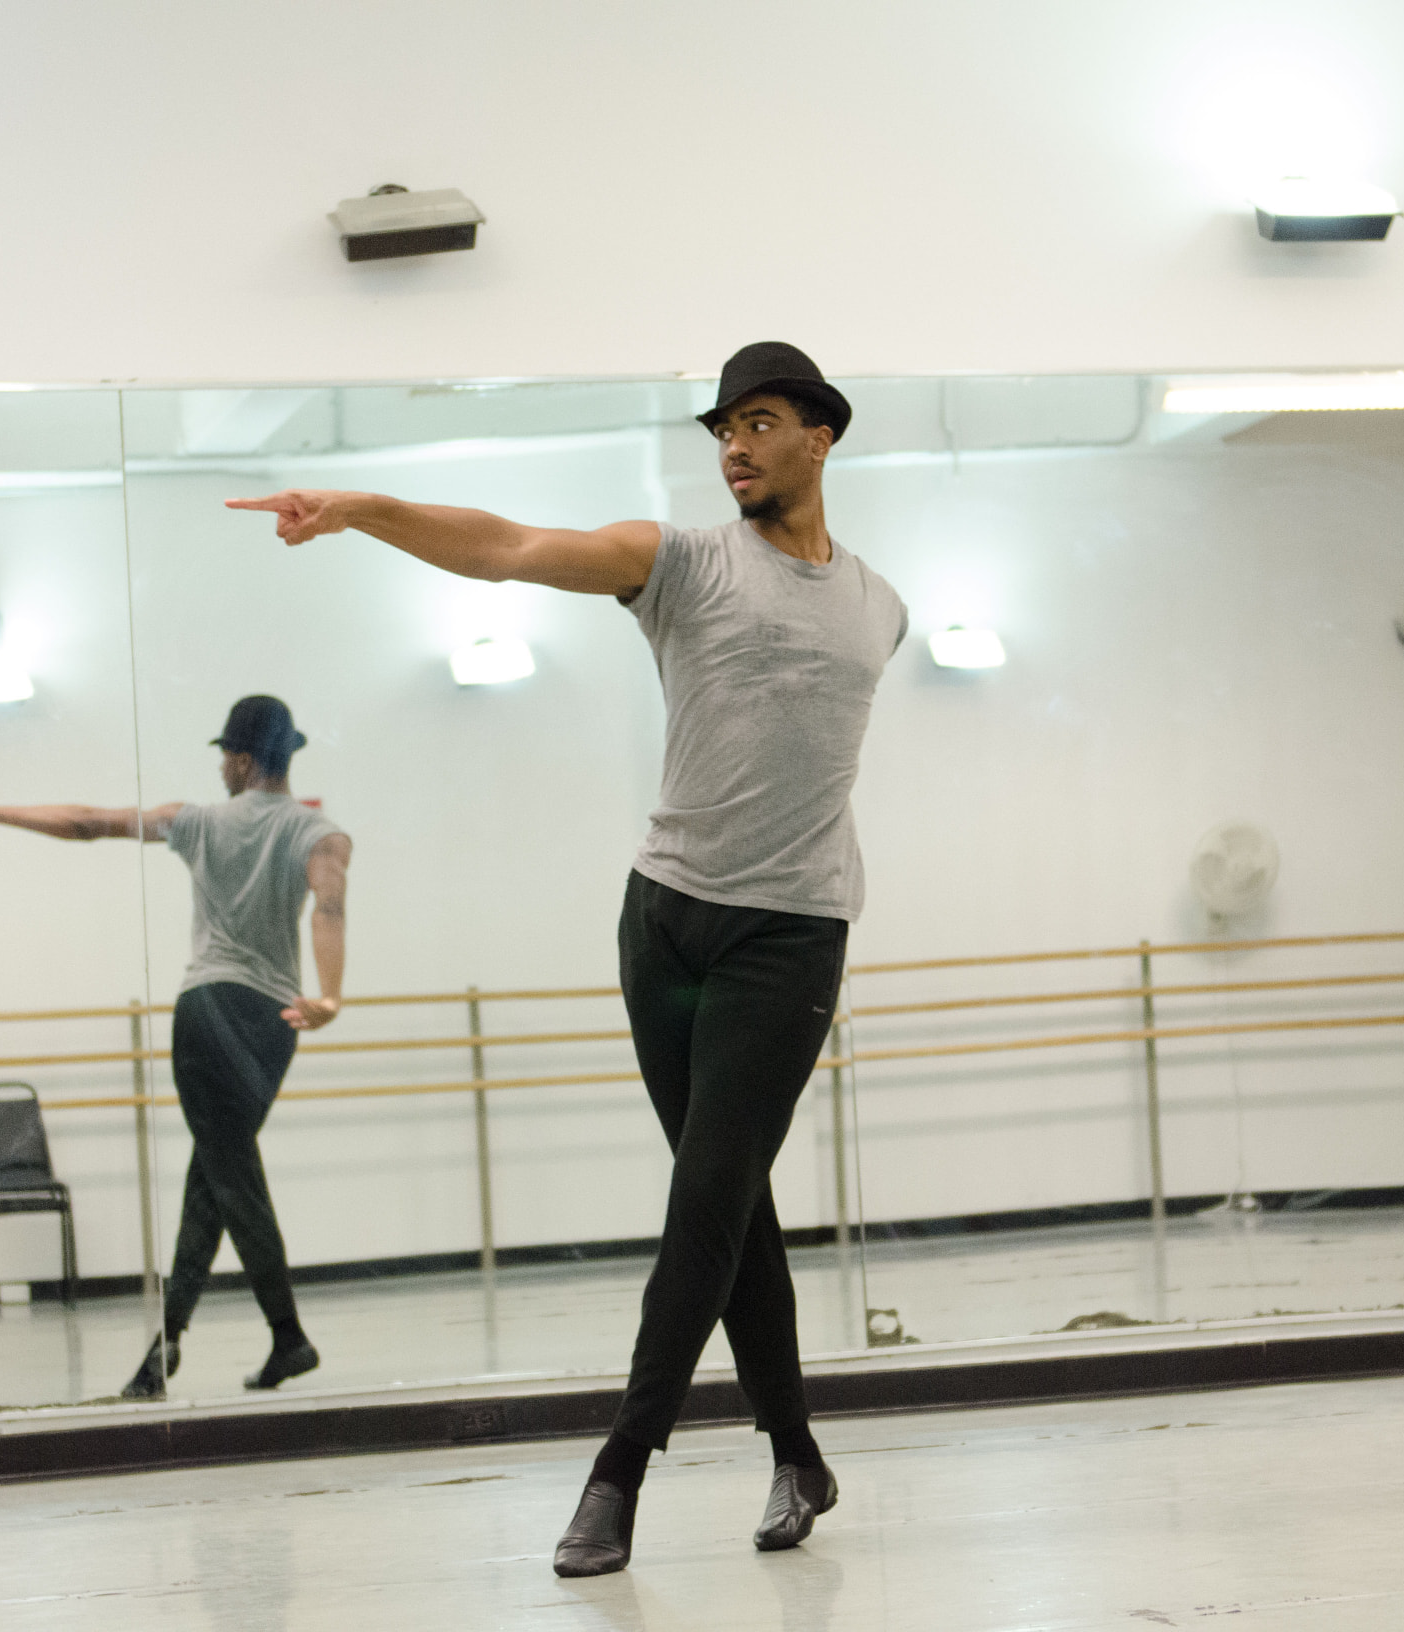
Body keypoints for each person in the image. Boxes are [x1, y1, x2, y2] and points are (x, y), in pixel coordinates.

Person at [227, 341, 906, 1576]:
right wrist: (363, 510)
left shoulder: (880, 606)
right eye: (722, 430)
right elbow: (505, 546)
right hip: (663, 923)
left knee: (703, 1202)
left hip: (790, 933)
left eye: (759, 423)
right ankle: (797, 1453)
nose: (734, 447)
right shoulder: (681, 563)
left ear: (820, 436)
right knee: (729, 1199)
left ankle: (617, 1475)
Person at [0, 694, 352, 1399]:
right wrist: (329, 995)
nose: (220, 766)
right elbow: (329, 904)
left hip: (209, 1009)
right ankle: (169, 1346)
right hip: (277, 1021)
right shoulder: (322, 833)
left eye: (225, 754)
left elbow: (91, 824)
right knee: (215, 1176)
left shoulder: (200, 821)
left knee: (229, 1175)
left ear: (242, 759)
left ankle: (286, 1334)